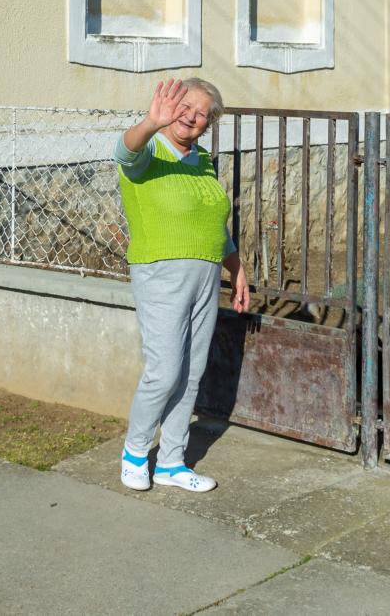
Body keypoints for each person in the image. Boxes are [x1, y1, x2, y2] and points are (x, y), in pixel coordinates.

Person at [113, 77, 250, 493]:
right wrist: (150, 123)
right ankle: (135, 454)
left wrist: (236, 268)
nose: (191, 116)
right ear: (170, 105)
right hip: (161, 274)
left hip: (206, 273)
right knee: (165, 369)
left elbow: (215, 223)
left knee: (191, 373)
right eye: (185, 106)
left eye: (202, 113)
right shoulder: (150, 149)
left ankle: (172, 462)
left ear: (209, 123)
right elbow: (124, 151)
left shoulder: (203, 160)